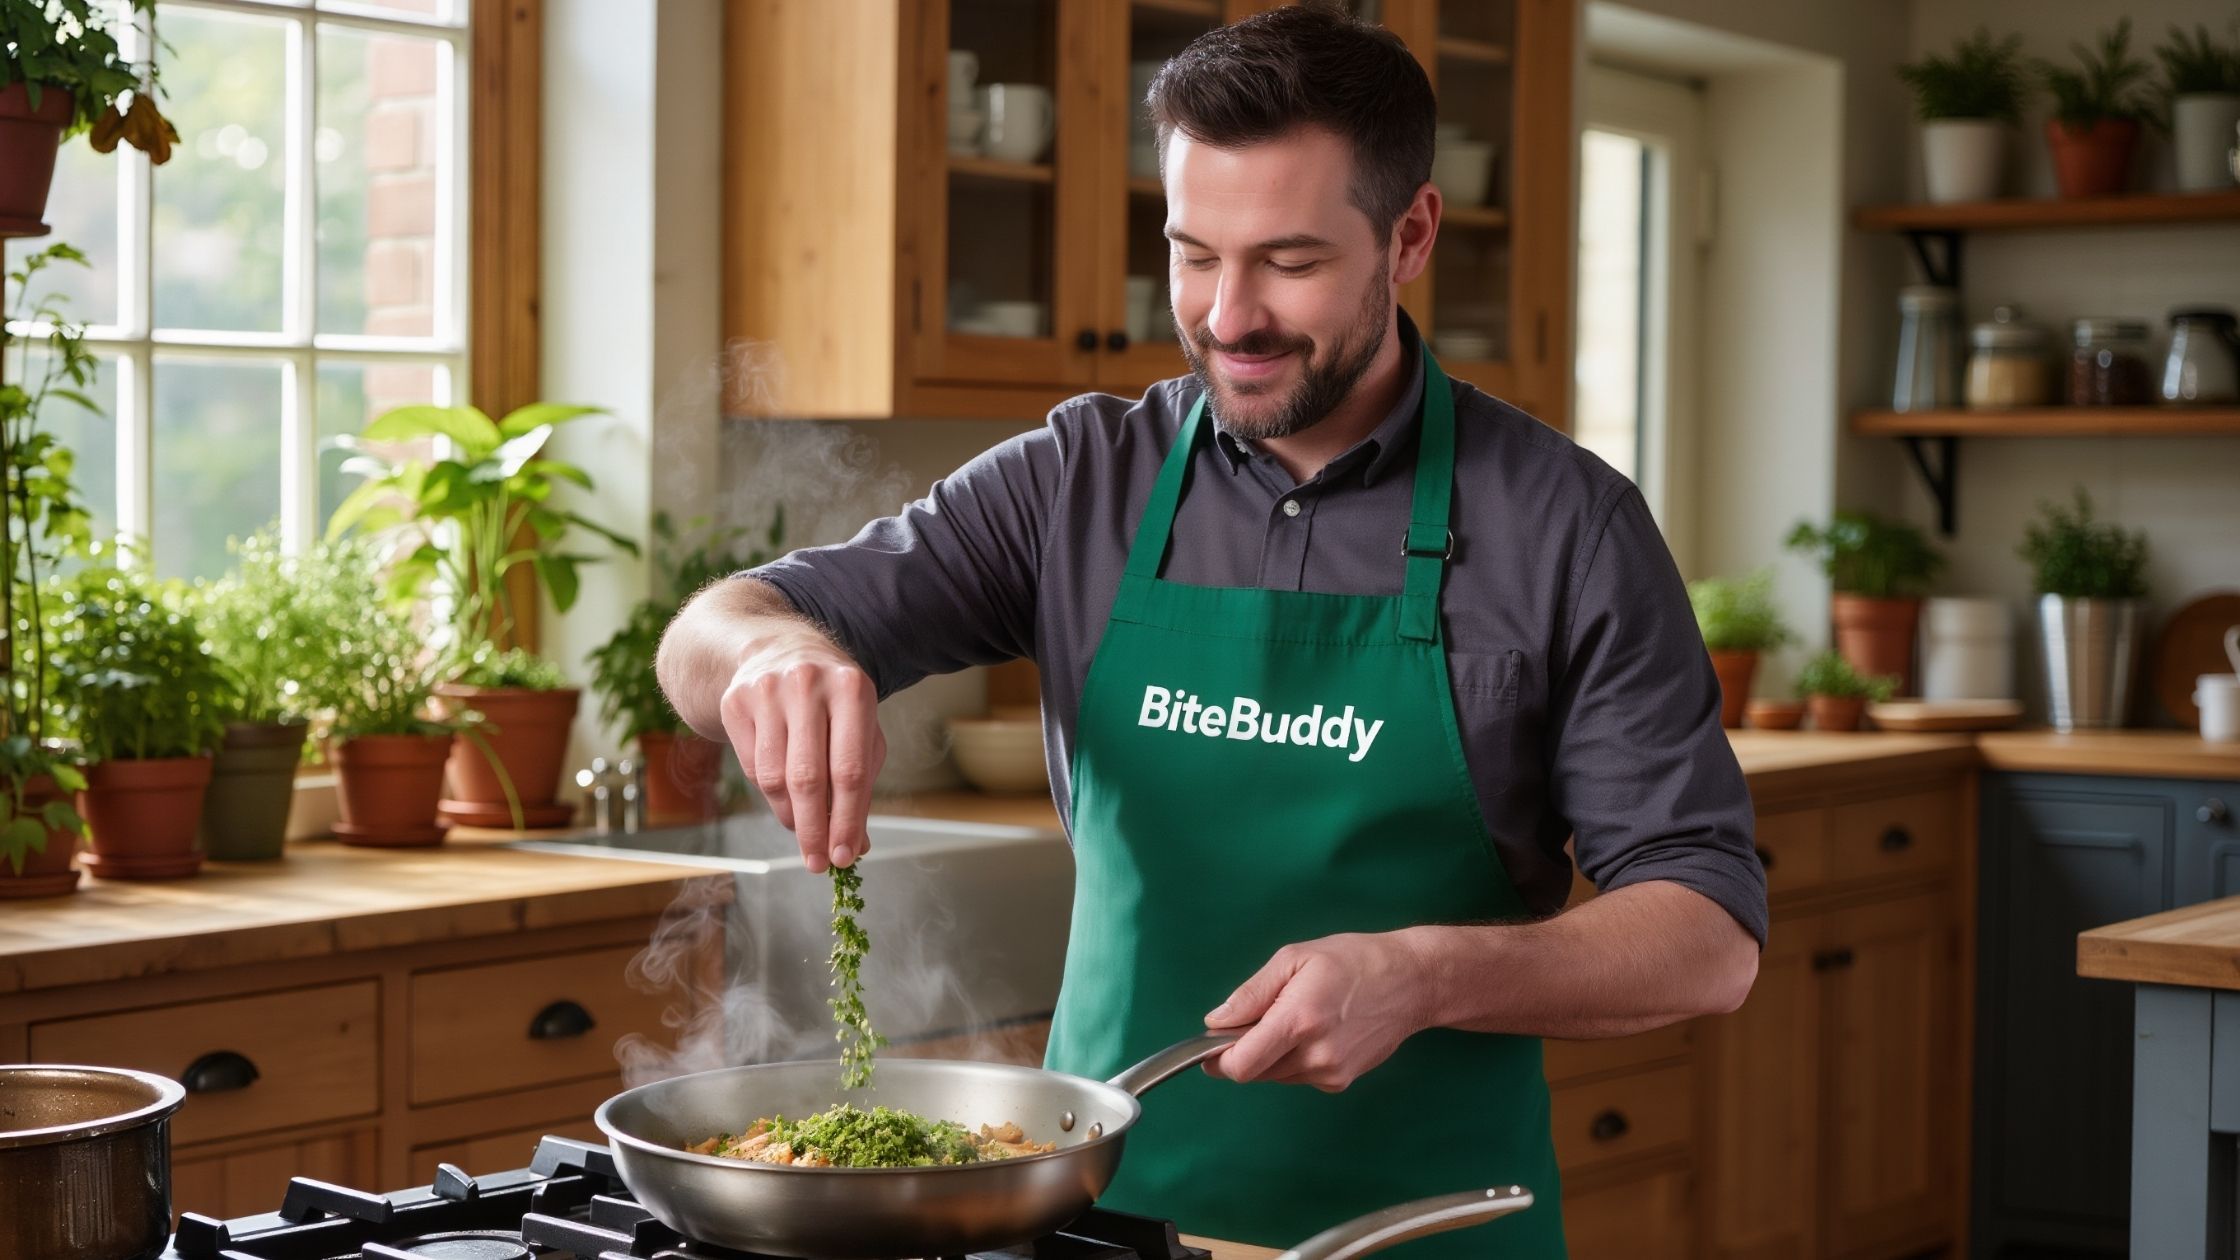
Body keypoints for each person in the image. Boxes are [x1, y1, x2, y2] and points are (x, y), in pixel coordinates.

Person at [657, 5, 1763, 1255]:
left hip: (1425, 1226)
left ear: (1408, 236)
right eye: (1193, 254)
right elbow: (714, 627)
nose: (1227, 316)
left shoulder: (1565, 526)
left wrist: (1428, 974)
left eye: (1288, 261)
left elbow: (1704, 935)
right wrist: (773, 650)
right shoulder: (1080, 478)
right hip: (1102, 1222)